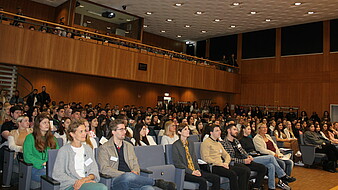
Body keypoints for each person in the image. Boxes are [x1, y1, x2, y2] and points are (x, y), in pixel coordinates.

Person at [97, 119, 175, 190]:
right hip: (116, 179)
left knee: (148, 188)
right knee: (128, 177)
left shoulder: (129, 146)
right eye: (121, 129)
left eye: (125, 129)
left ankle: (152, 183)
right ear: (113, 132)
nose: (124, 132)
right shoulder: (104, 148)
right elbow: (104, 169)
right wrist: (125, 174)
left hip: (133, 179)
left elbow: (135, 164)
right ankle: (156, 182)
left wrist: (135, 172)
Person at [52, 120, 107, 190]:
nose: (84, 134)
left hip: (87, 182)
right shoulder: (64, 150)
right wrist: (78, 182)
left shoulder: (88, 149)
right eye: (81, 131)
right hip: (71, 185)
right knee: (102, 188)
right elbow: (58, 174)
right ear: (72, 134)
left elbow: (94, 170)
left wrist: (85, 179)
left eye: (84, 131)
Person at [239, 125, 295, 190]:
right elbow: (243, 152)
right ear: (243, 130)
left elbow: (273, 146)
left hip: (257, 155)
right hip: (250, 158)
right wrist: (249, 155)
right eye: (248, 129)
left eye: (250, 129)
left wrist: (278, 153)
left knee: (271, 166)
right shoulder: (241, 140)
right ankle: (283, 176)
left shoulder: (250, 139)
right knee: (271, 158)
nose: (250, 130)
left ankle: (271, 187)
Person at [172, 123, 220, 190]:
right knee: (202, 181)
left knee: (216, 178)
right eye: (185, 129)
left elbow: (194, 159)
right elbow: (178, 163)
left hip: (195, 169)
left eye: (188, 129)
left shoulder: (190, 143)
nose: (188, 131)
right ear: (179, 132)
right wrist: (192, 172)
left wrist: (197, 170)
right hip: (185, 172)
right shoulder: (175, 145)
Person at [201, 124, 247, 190]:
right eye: (217, 131)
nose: (219, 132)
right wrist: (220, 164)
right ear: (211, 133)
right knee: (232, 174)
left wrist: (226, 163)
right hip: (214, 166)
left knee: (243, 171)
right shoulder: (206, 143)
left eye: (219, 130)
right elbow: (205, 158)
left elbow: (226, 155)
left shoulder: (218, 143)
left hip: (223, 165)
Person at [222, 124, 267, 190]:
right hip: (235, 163)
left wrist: (248, 156)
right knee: (246, 170)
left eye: (236, 129)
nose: (236, 131)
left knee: (262, 168)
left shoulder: (236, 141)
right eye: (234, 129)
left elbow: (242, 150)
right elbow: (229, 158)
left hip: (243, 160)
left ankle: (256, 187)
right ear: (229, 130)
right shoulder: (224, 143)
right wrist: (243, 161)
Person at [23, 113, 59, 182]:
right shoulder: (30, 138)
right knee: (52, 177)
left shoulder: (53, 138)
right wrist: (43, 163)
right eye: (44, 123)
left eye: (48, 123)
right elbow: (27, 156)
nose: (47, 125)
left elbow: (57, 153)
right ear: (38, 125)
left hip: (51, 167)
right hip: (36, 168)